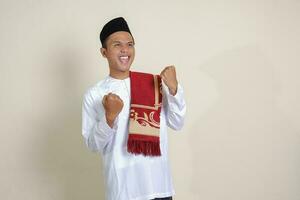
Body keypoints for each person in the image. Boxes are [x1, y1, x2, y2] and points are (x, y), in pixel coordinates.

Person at [82, 17, 186, 200]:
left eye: (130, 44)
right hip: (124, 191)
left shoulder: (153, 84)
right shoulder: (95, 94)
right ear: (104, 52)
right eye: (117, 45)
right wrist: (109, 118)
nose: (125, 50)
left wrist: (174, 89)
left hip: (160, 187)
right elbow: (92, 144)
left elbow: (177, 123)